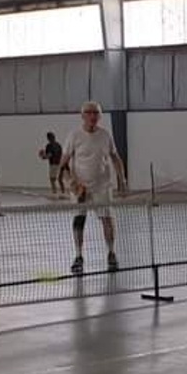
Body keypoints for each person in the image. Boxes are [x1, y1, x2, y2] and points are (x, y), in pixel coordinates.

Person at [59, 102, 128, 274]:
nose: (92, 116)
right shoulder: (74, 136)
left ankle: (111, 253)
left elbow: (115, 157)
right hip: (80, 188)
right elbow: (63, 164)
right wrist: (72, 183)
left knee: (107, 219)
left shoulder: (105, 135)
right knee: (79, 220)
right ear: (83, 116)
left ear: (99, 116)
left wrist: (123, 179)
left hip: (102, 187)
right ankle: (78, 256)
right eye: (89, 112)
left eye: (96, 112)